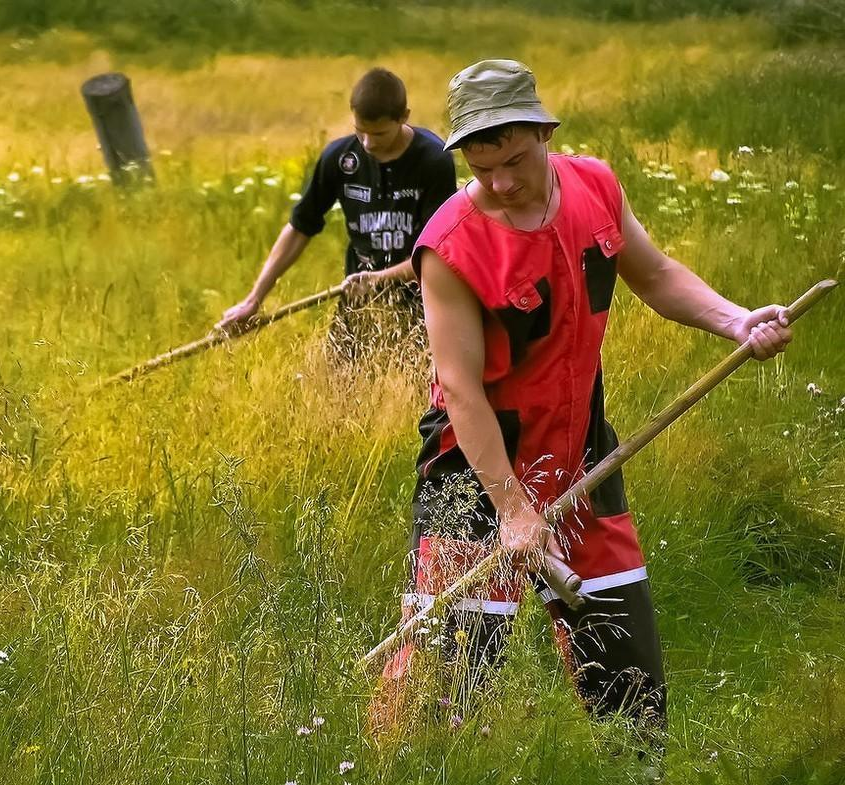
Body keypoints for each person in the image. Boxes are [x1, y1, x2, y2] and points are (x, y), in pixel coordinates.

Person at [382, 59, 792, 754]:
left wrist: (736, 320)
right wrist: (512, 508)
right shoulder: (450, 247)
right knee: (440, 704)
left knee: (633, 698)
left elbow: (656, 274)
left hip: (582, 459)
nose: (502, 183)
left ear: (545, 131)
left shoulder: (595, 186)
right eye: (484, 171)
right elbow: (460, 389)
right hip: (473, 476)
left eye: (514, 160)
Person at [217, 67, 457, 363]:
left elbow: (438, 251)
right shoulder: (340, 159)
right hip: (359, 300)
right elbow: (300, 227)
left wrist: (380, 278)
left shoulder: (434, 160)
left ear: (404, 116)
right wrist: (254, 298)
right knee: (342, 387)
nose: (367, 143)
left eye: (379, 133)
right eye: (360, 131)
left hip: (424, 303)